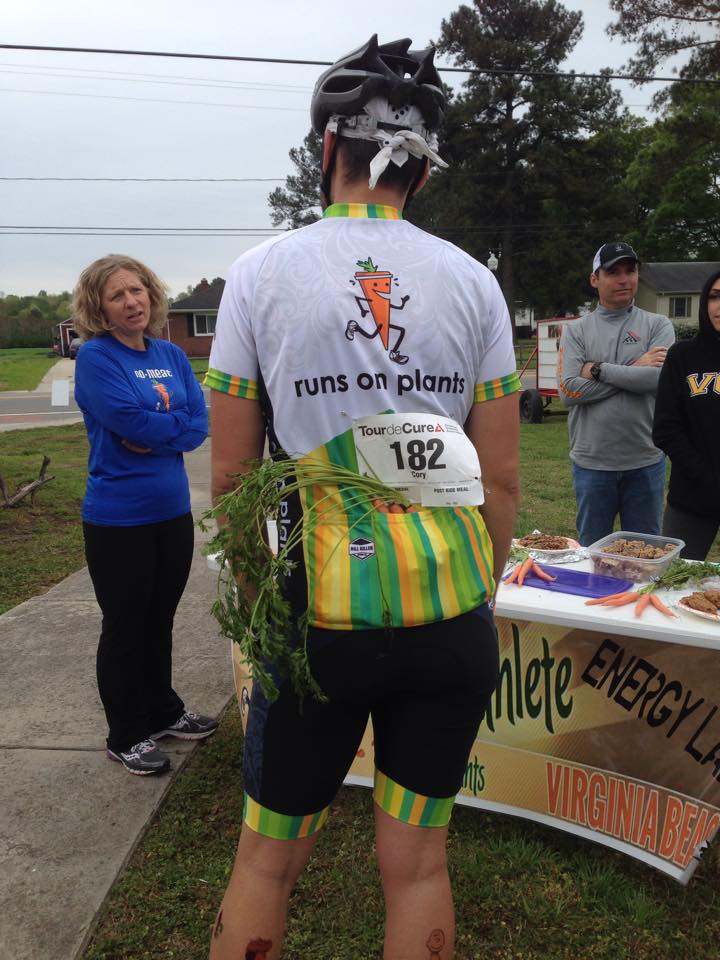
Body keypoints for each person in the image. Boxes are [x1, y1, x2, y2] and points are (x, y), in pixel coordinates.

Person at [206, 35, 520, 960]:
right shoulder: (474, 281)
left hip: (315, 613)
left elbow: (231, 480)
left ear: (326, 151)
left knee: (267, 863)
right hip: (449, 618)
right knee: (418, 865)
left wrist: (261, 603)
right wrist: (475, 594)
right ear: (421, 169)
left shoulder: (259, 274)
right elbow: (501, 479)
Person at [73, 254, 217, 776]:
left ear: (151, 294)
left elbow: (198, 425)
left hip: (171, 511)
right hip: (118, 518)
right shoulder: (96, 357)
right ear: (99, 308)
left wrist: (159, 435)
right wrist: (170, 429)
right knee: (126, 626)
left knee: (160, 618)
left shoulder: (171, 354)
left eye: (137, 290)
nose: (131, 302)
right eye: (117, 295)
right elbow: (124, 418)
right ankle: (126, 734)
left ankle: (163, 711)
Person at [557, 242, 675, 546]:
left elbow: (659, 380)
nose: (624, 279)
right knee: (594, 554)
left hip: (645, 462)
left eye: (630, 271)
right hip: (592, 465)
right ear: (594, 279)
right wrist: (635, 368)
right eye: (613, 272)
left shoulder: (658, 325)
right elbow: (569, 391)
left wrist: (597, 369)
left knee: (645, 556)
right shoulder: (576, 331)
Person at [652, 268, 720, 560]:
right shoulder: (682, 356)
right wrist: (707, 477)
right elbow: (665, 428)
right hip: (691, 496)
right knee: (673, 577)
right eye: (715, 297)